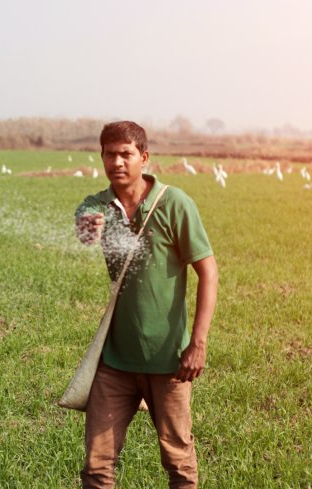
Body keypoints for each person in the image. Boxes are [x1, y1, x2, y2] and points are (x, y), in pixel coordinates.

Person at [74, 121, 219, 488]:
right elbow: (86, 231)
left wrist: (197, 343)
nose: (117, 162)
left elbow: (209, 272)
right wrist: (89, 225)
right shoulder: (97, 204)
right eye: (110, 154)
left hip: (168, 361)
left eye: (126, 154)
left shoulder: (174, 204)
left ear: (144, 157)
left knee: (178, 462)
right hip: (115, 363)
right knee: (96, 465)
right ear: (101, 157)